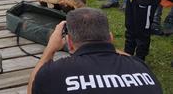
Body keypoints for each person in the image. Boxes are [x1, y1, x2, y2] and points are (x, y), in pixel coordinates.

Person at [28, 8, 162, 94]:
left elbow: (32, 90)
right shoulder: (141, 68)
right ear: (111, 37)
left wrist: (50, 50)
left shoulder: (53, 72)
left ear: (69, 42)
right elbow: (131, 59)